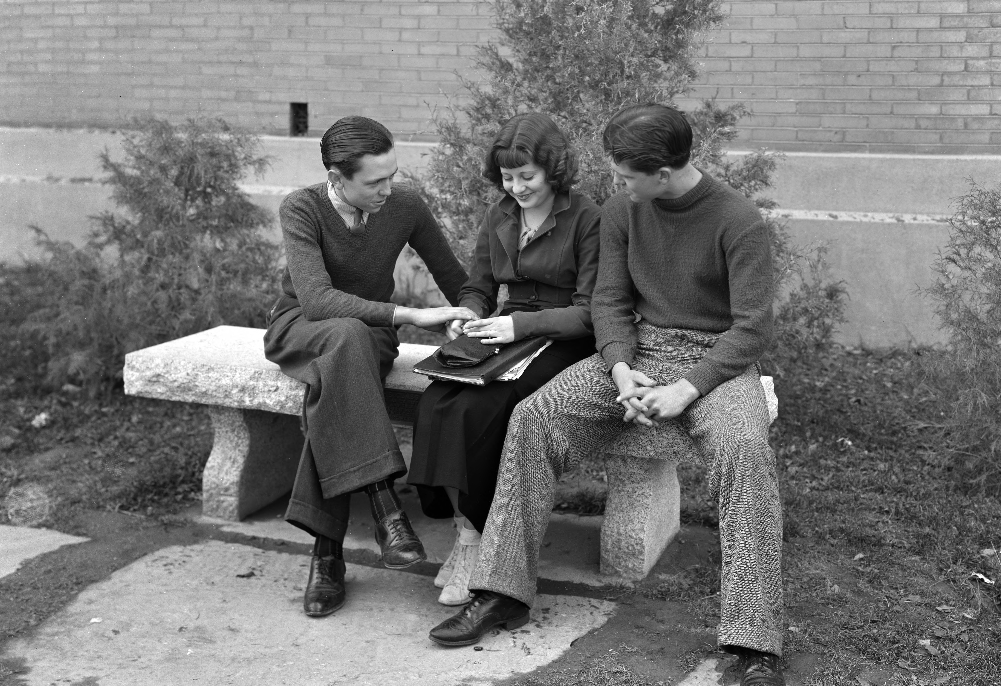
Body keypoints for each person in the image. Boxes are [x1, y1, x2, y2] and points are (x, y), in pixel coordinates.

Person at [428, 104, 786, 686]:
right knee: (535, 417)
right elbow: (610, 302)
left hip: (718, 362)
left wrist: (686, 389)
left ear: (662, 174)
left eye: (625, 175)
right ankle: (502, 592)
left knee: (745, 453)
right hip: (637, 350)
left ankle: (754, 645)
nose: (617, 185)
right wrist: (620, 368)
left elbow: (751, 329)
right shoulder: (624, 210)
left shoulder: (738, 221)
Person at [264, 115, 476, 618]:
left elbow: (457, 279)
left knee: (345, 363)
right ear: (336, 178)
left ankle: (329, 554)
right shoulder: (302, 207)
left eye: (392, 175)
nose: (388, 189)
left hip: (368, 335)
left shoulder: (403, 205)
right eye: (375, 181)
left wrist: (469, 318)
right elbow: (317, 301)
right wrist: (414, 315)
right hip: (303, 328)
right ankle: (384, 505)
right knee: (345, 338)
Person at [406, 112, 600, 606]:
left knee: (480, 410)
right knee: (436, 401)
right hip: (504, 332)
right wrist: (467, 315)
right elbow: (479, 285)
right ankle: (465, 531)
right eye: (508, 177)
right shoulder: (499, 215)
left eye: (526, 176)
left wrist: (519, 326)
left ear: (554, 169)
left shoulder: (587, 218)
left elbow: (590, 312)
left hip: (564, 338)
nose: (516, 187)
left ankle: (477, 541)